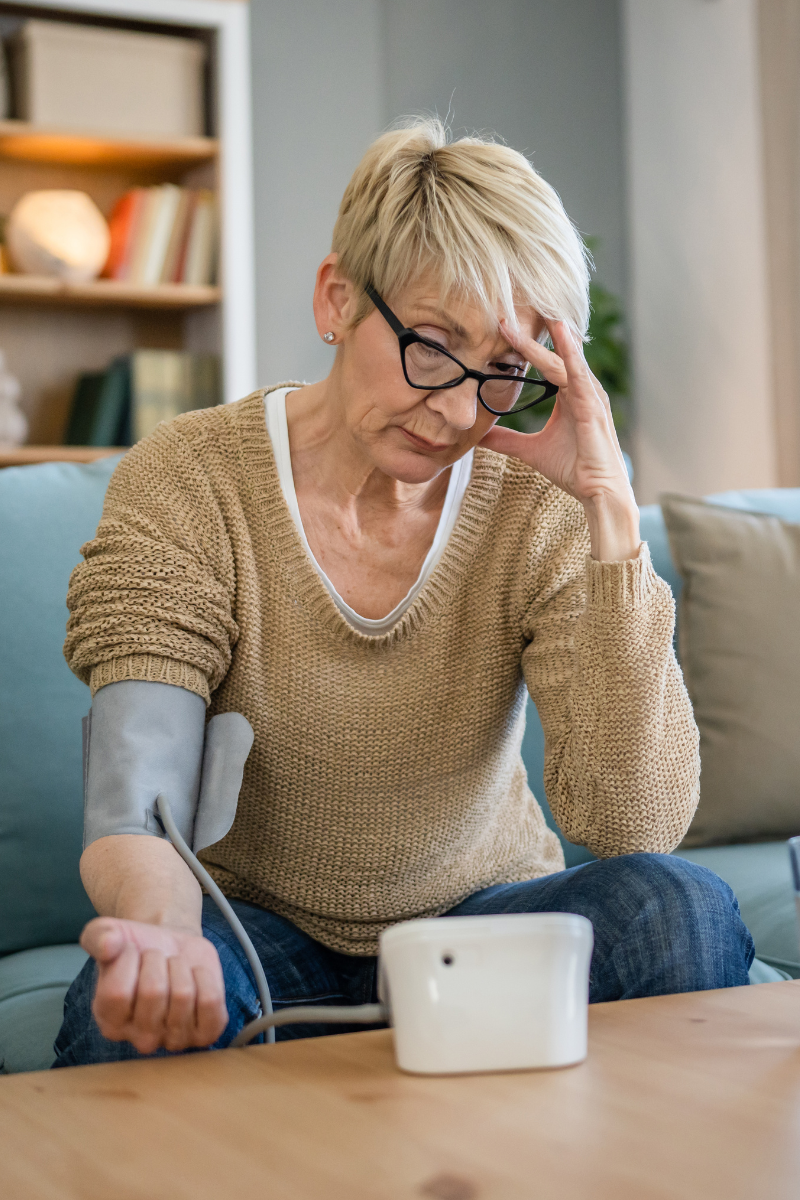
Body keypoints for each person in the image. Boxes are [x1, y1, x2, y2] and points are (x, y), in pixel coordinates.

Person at [54, 119, 753, 1067]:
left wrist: (609, 518)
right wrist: (166, 936)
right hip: (264, 940)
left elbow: (629, 827)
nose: (459, 410)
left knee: (680, 909)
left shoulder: (532, 503)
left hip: (484, 926)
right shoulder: (190, 478)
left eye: (505, 371)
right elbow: (139, 795)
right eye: (431, 345)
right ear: (336, 298)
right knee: (117, 1000)